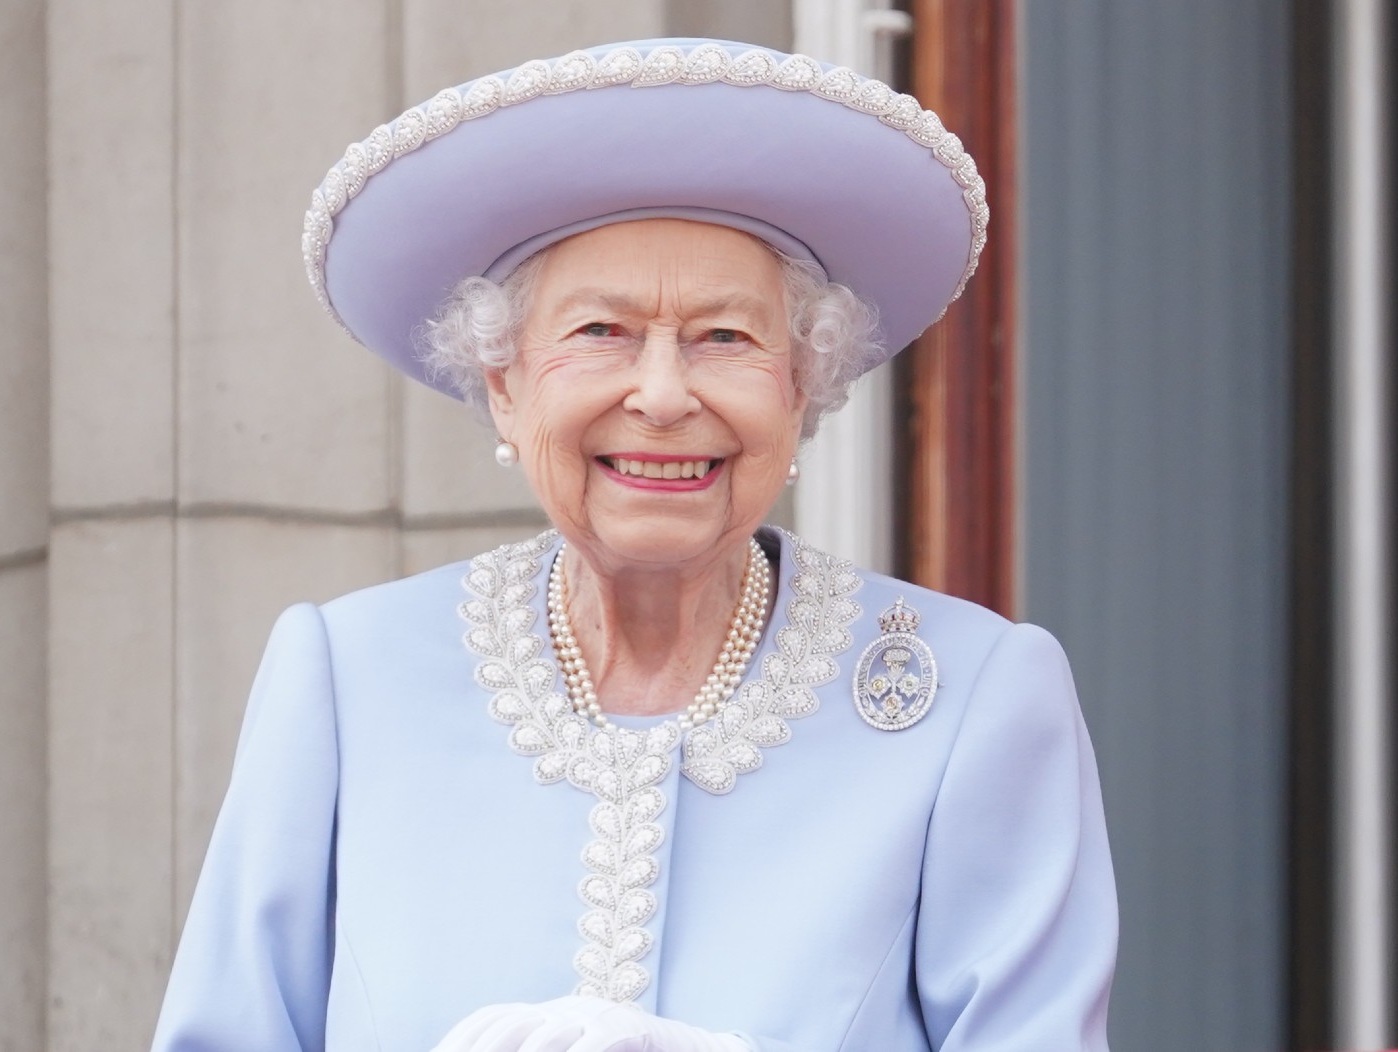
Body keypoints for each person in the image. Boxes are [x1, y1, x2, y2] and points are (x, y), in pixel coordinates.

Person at [151, 38, 1116, 1052]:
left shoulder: (974, 700)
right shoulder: (346, 680)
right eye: (602, 331)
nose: (661, 393)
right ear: (505, 386)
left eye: (726, 338)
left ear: (801, 390)